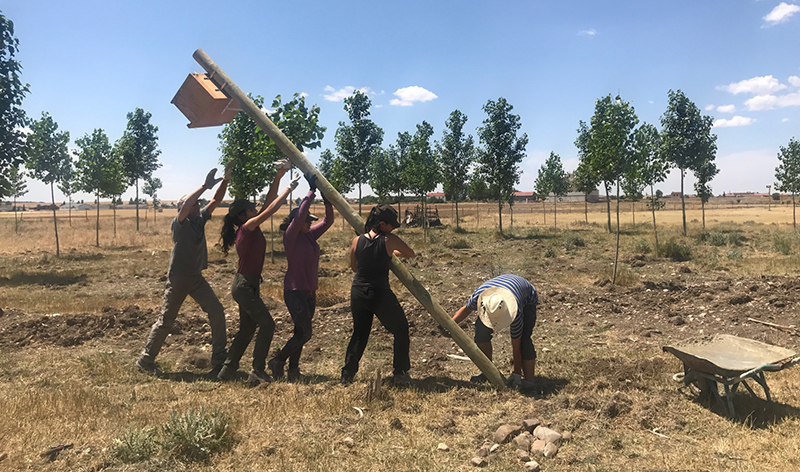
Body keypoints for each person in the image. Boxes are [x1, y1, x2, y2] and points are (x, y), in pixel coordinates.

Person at [137, 163, 233, 377]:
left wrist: (225, 180)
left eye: (198, 204)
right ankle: (146, 359)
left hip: (195, 278)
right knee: (166, 320)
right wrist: (203, 186)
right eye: (194, 205)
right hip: (179, 278)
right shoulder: (179, 223)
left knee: (217, 311)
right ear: (183, 209)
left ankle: (219, 358)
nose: (197, 206)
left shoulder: (199, 219)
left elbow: (216, 200)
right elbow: (187, 203)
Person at [216, 159, 300, 386]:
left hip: (248, 284)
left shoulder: (249, 226)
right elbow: (271, 208)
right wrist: (288, 190)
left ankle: (227, 371)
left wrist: (279, 175)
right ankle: (257, 370)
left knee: (247, 328)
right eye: (252, 209)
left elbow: (268, 202)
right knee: (267, 324)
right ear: (243, 215)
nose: (257, 209)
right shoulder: (247, 227)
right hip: (244, 285)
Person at [267, 173, 334, 381]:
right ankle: (278, 360)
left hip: (310, 292)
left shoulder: (309, 235)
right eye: (307, 221)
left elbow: (328, 221)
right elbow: (299, 217)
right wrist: (310, 191)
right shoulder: (292, 237)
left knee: (300, 332)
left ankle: (293, 370)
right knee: (305, 333)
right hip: (295, 292)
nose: (309, 224)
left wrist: (327, 199)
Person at [340, 204, 416, 386]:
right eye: (391, 225)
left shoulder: (356, 241)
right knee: (401, 329)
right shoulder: (389, 240)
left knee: (360, 332)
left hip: (358, 291)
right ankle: (400, 372)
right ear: (382, 224)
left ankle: (347, 374)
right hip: (379, 292)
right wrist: (389, 253)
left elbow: (354, 267)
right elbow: (410, 254)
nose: (393, 228)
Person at [451, 274, 538, 385]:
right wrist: (450, 325)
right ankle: (487, 372)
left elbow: (517, 343)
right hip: (502, 286)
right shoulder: (480, 296)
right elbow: (466, 309)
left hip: (527, 297)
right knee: (481, 333)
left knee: (524, 340)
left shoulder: (516, 312)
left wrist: (517, 372)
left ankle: (529, 381)